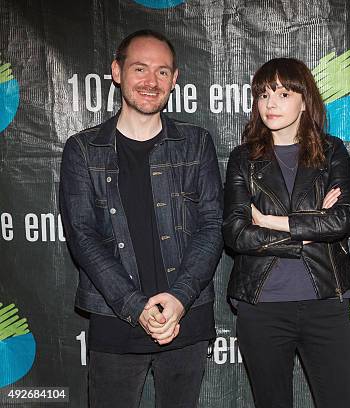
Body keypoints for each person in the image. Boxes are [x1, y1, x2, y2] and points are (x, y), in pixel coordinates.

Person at [59, 29, 223, 408]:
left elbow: (212, 225)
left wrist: (180, 298)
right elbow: (83, 236)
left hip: (187, 318)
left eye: (163, 72)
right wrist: (136, 306)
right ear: (117, 72)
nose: (151, 82)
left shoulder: (196, 143)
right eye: (140, 69)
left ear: (175, 80)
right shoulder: (83, 150)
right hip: (115, 321)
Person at [223, 57, 350, 408]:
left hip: (326, 302)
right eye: (264, 94)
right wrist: (310, 227)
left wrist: (271, 222)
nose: (271, 104)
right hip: (262, 305)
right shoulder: (243, 158)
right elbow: (237, 234)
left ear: (304, 99)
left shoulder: (332, 150)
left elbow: (344, 219)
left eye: (283, 94)